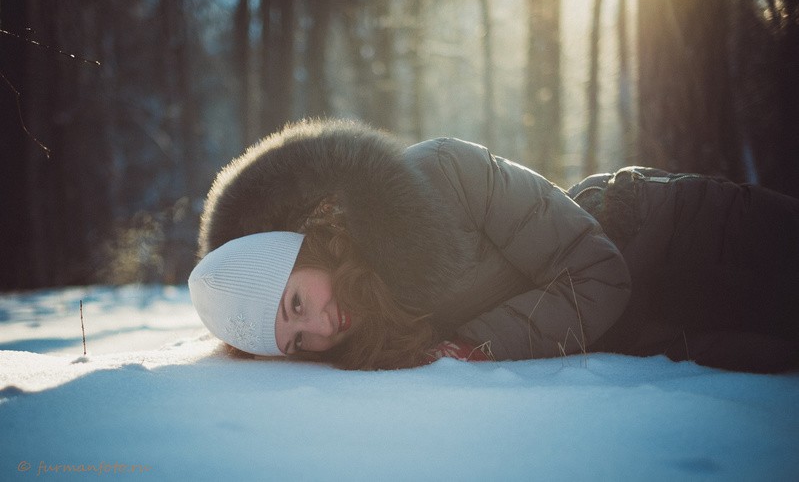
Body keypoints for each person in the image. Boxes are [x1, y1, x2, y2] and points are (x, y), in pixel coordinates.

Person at [188, 118, 799, 373]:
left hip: (685, 236)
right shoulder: (370, 331)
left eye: (297, 303)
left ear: (306, 249)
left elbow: (599, 275)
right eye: (297, 342)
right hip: (656, 331)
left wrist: (473, 346)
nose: (319, 329)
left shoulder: (437, 177)